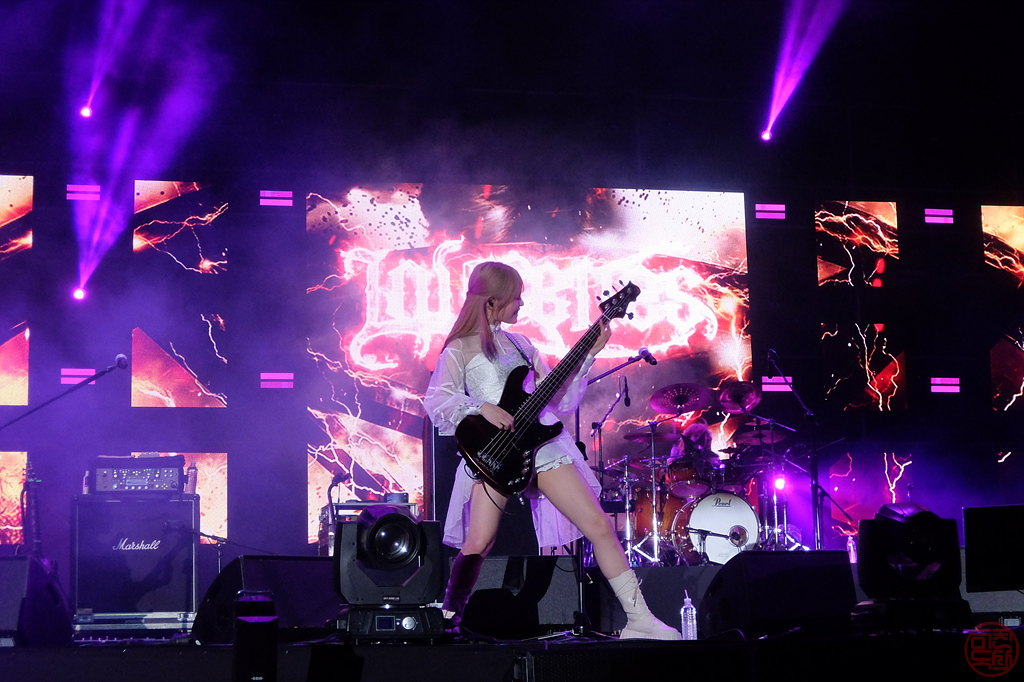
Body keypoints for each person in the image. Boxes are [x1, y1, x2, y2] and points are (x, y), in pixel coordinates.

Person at [423, 261, 680, 640]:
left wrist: (588, 355)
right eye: (515, 297)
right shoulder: (459, 349)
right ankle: (448, 618)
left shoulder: (522, 345)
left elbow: (559, 399)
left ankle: (639, 619)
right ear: (492, 301)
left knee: (599, 526)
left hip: (540, 447)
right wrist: (481, 408)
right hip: (495, 452)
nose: (521, 303)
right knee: (479, 542)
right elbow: (438, 401)